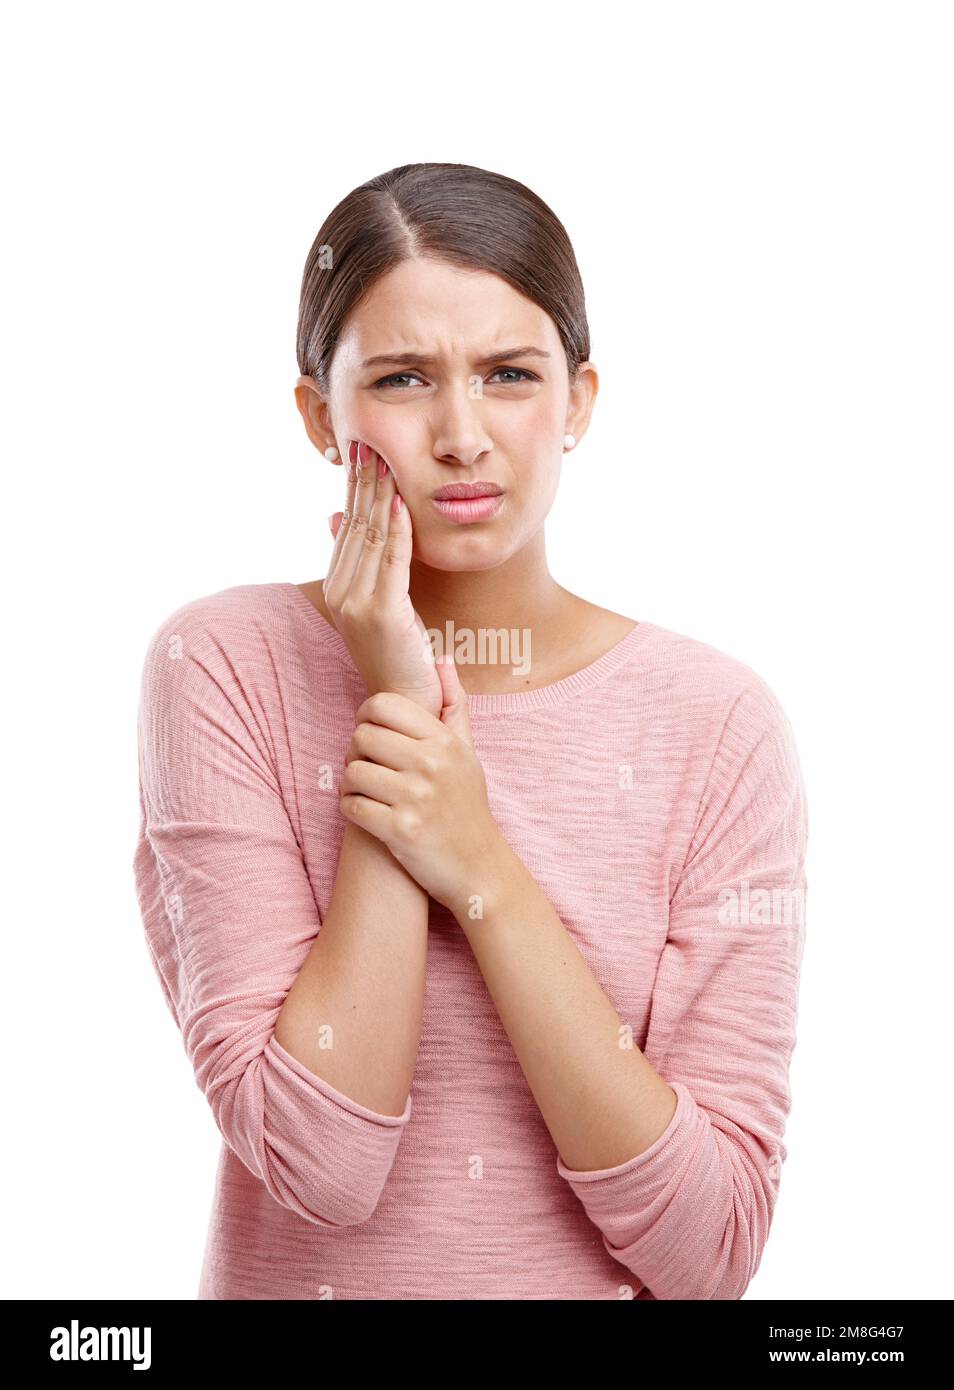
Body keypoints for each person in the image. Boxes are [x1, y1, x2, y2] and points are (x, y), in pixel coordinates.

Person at [133, 161, 808, 1300]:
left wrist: (479, 859)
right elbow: (324, 1161)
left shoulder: (718, 725)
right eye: (402, 378)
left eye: (509, 374)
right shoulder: (221, 666)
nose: (461, 435)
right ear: (319, 415)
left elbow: (708, 1254)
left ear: (579, 401)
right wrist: (395, 696)